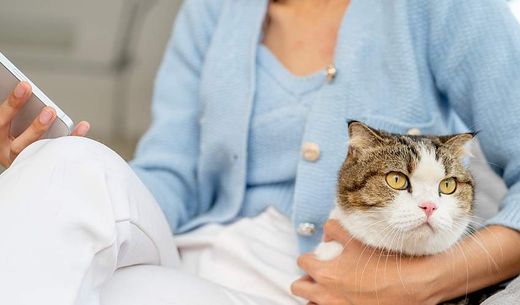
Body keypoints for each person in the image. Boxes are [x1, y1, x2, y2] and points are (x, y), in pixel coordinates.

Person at [0, 0, 519, 304]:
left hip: (312, 284)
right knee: (67, 167)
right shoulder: (212, 10)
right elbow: (170, 173)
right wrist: (48, 188)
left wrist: (427, 279)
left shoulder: (441, 9)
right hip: (190, 260)